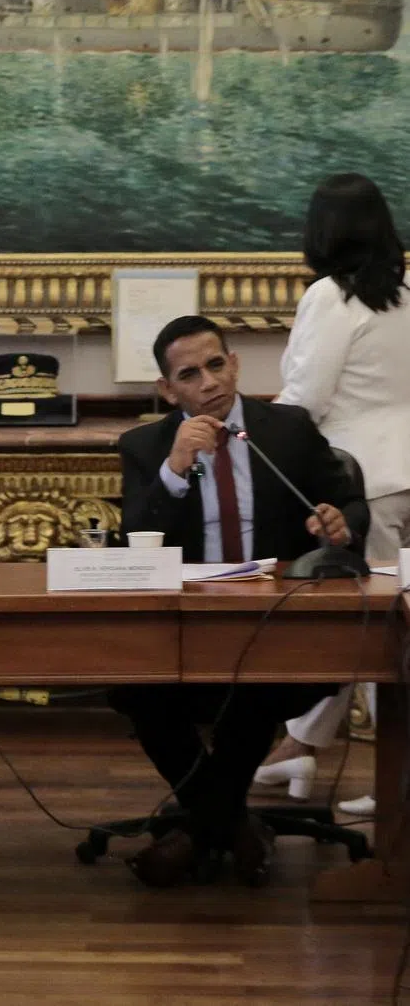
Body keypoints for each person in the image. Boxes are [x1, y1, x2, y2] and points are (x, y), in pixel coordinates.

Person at [111, 315, 368, 888]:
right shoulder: (144, 445)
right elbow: (134, 536)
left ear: (235, 363)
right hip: (180, 630)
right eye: (189, 374)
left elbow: (350, 503)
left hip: (276, 627)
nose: (208, 382)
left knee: (255, 691)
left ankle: (199, 832)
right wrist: (176, 469)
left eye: (216, 364)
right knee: (137, 692)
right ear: (167, 390)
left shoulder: (289, 430)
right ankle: (231, 825)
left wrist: (338, 523)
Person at [254, 173, 410, 816]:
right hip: (406, 473)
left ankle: (398, 784)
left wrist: (253, 435)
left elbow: (307, 400)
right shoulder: (406, 292)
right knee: (374, 622)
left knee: (371, 631)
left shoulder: (329, 297)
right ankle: (298, 747)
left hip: (357, 482)